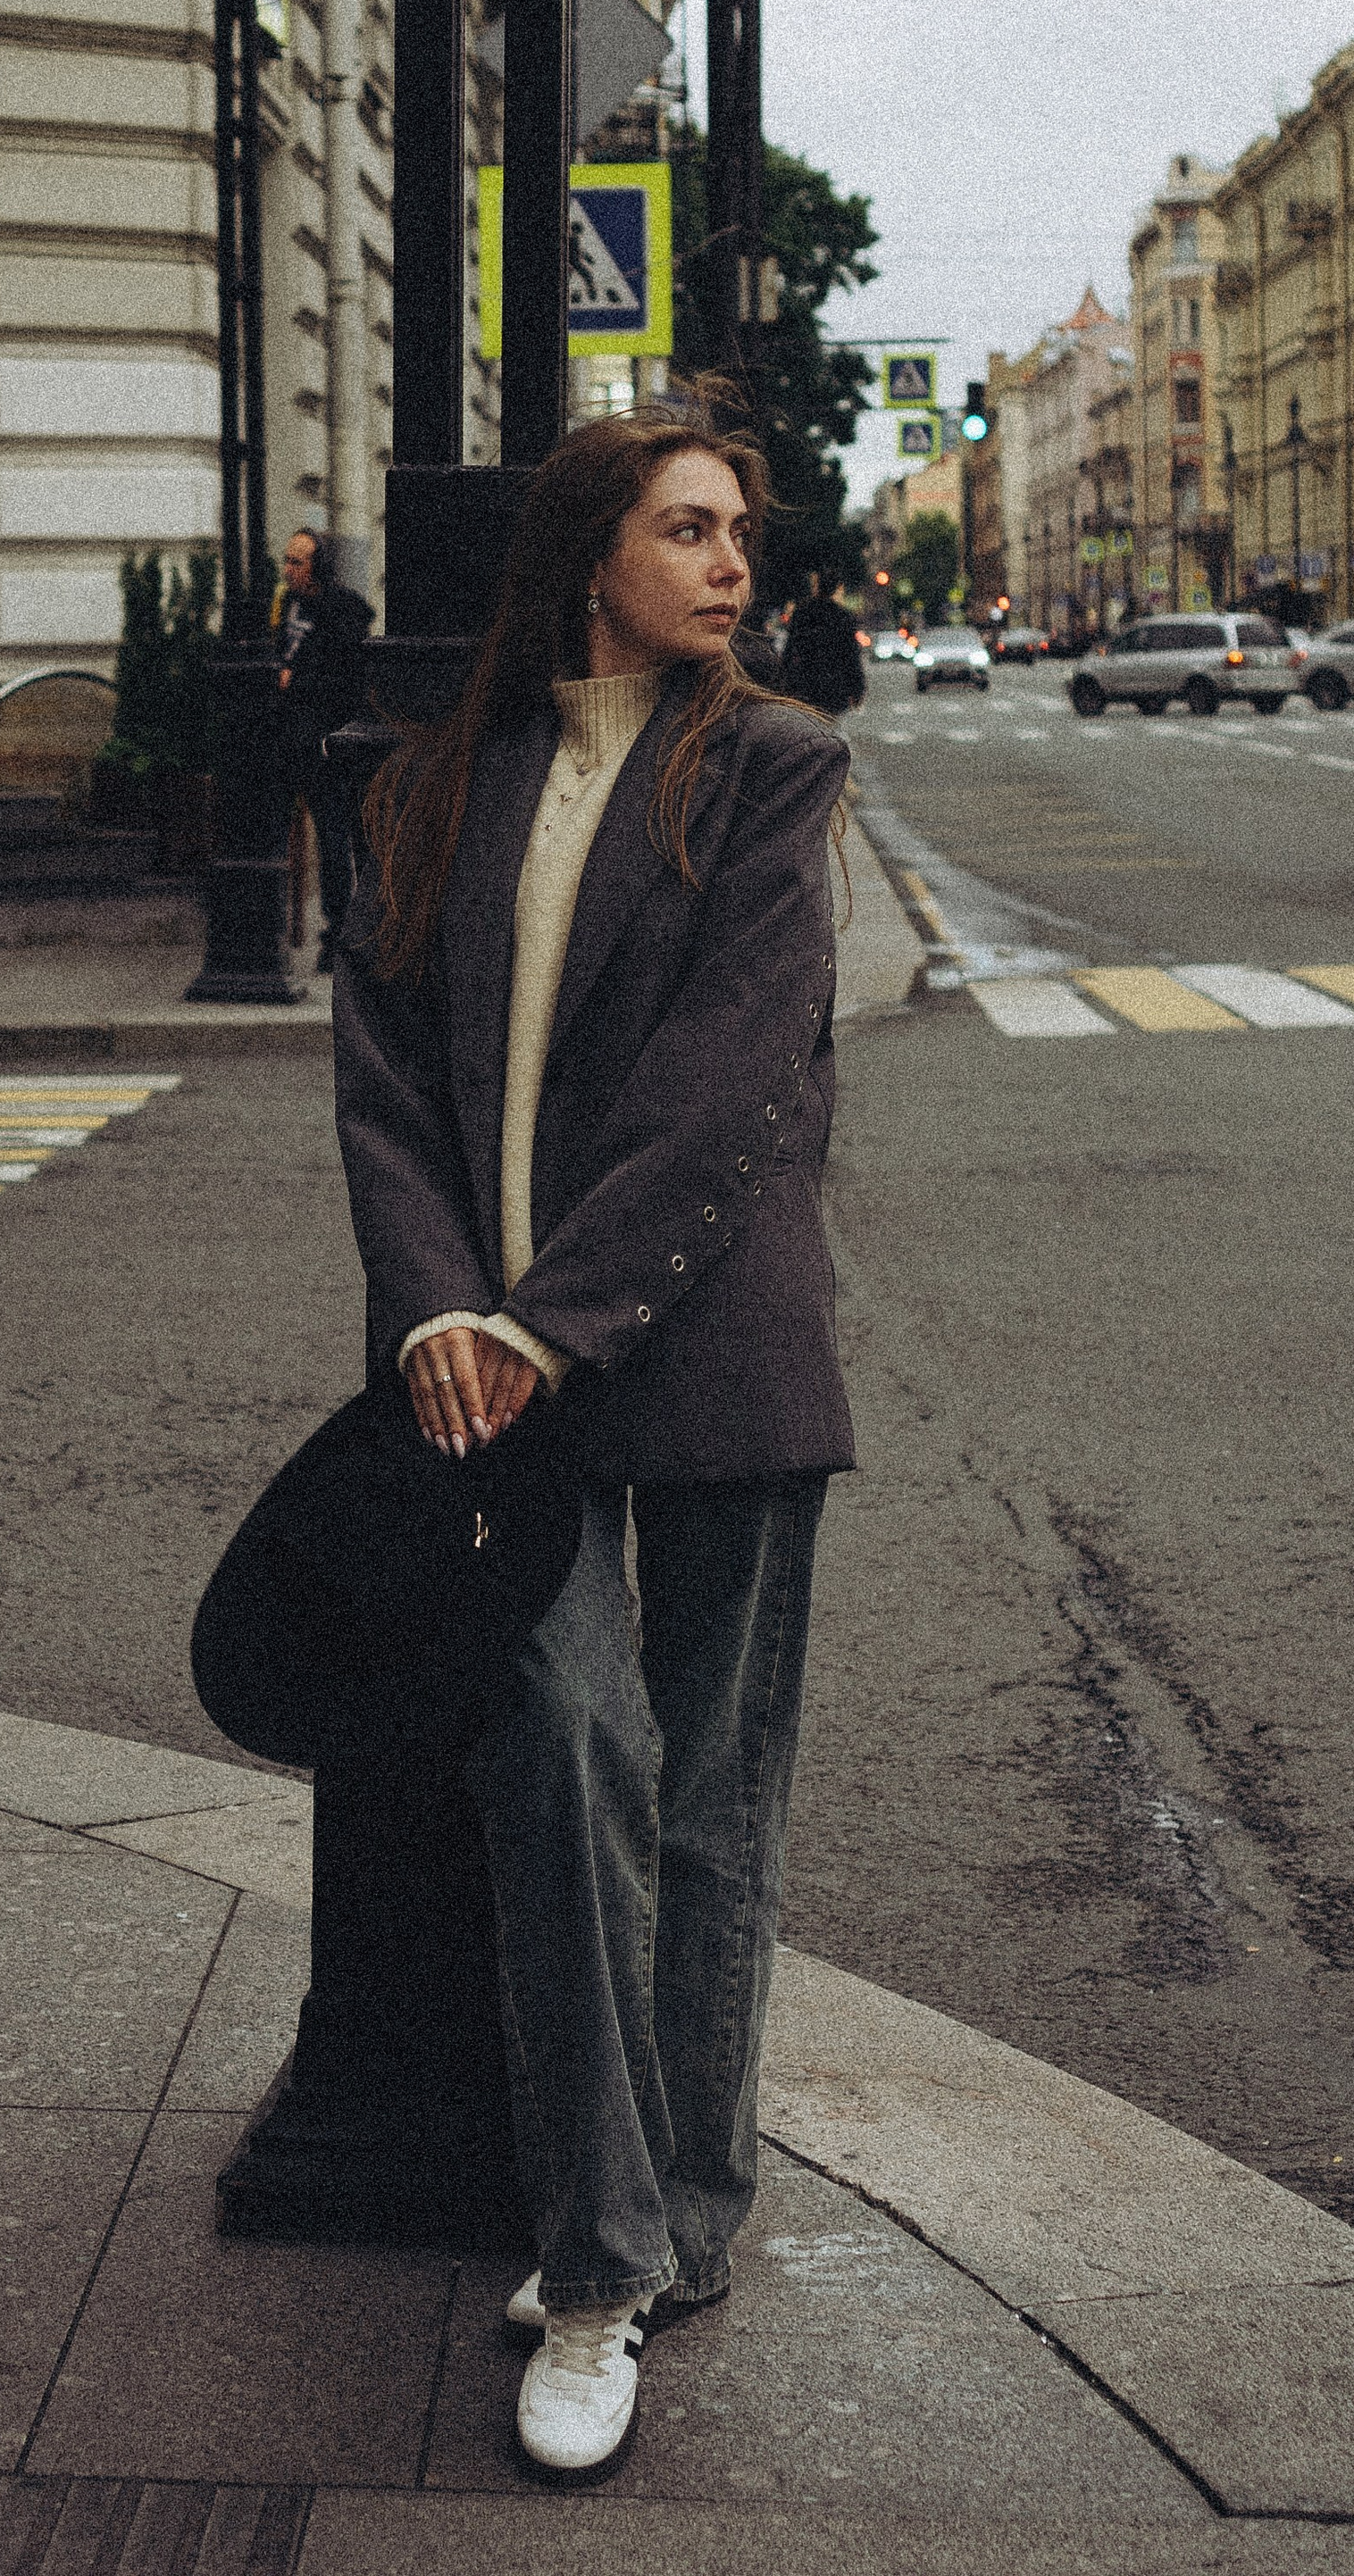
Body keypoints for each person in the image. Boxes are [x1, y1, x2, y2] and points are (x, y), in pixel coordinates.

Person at [330, 398, 854, 2484]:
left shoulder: (769, 766)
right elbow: (378, 1084)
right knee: (562, 1766)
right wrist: (444, 1311)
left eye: (739, 530)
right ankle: (602, 2252)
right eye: (688, 526)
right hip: (493, 1365)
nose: (731, 562)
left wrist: (544, 1326)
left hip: (699, 1348)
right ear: (587, 551)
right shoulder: (430, 784)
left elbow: (730, 1091)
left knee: (710, 1802)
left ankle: (663, 2224)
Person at [276, 528, 372, 967]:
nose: (290, 570)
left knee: (338, 834)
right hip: (295, 735)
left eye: (298, 562)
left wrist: (299, 678)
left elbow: (344, 673)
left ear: (318, 564)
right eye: (288, 560)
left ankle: (343, 930)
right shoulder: (289, 605)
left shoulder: (341, 608)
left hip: (327, 740)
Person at [780, 579, 867, 716]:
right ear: (837, 589)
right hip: (834, 683)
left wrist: (784, 679)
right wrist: (857, 688)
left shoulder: (803, 612)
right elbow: (851, 656)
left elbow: (790, 648)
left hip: (805, 679)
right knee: (827, 723)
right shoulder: (842, 615)